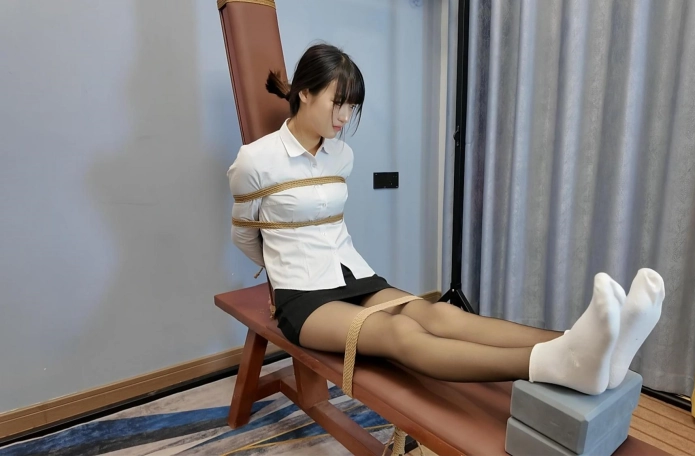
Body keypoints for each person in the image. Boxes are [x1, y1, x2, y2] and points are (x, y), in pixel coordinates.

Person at [227, 43, 665, 396]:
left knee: (438, 314)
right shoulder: (256, 160)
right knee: (400, 332)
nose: (344, 117)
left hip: (351, 274)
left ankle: (591, 344)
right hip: (302, 297)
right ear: (305, 92)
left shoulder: (340, 155)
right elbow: (245, 236)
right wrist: (281, 272)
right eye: (337, 103)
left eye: (351, 106)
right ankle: (559, 363)